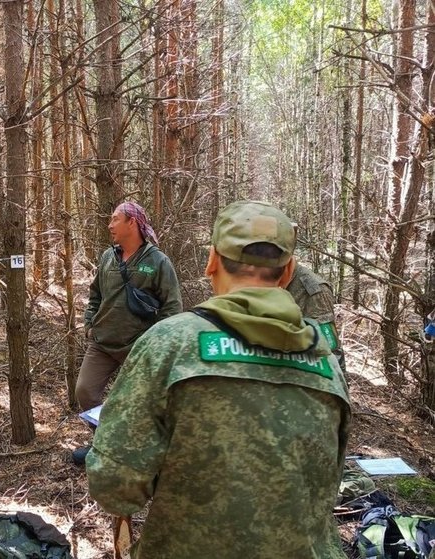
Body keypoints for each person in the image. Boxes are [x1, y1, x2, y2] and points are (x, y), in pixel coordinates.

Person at [86, 200, 351, 558]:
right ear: (287, 272)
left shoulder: (170, 345)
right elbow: (325, 484)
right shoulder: (327, 366)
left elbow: (114, 487)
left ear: (212, 261)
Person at [73, 202, 182, 464]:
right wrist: (89, 324)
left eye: (115, 219)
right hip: (101, 343)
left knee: (138, 402)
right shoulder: (107, 257)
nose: (110, 225)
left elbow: (172, 308)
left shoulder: (158, 261)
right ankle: (106, 441)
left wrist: (154, 344)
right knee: (85, 391)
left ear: (132, 222)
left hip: (137, 347)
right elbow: (95, 294)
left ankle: (138, 450)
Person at [285, 263, 346, 373]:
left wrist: (339, 386)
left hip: (304, 374)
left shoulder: (314, 290)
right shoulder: (259, 276)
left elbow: (329, 347)